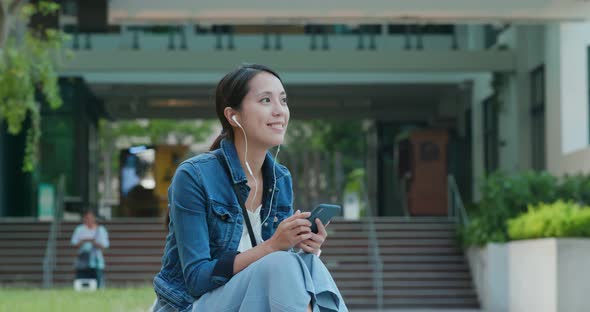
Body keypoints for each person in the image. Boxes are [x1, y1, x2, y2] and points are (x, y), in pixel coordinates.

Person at [152, 64, 348, 312]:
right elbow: (197, 279)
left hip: (251, 300)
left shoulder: (280, 178)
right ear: (233, 116)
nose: (280, 111)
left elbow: (277, 274)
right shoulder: (194, 175)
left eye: (283, 100)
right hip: (192, 305)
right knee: (281, 263)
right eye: (266, 100)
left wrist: (305, 244)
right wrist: (273, 246)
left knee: (308, 263)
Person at [70, 210, 110, 288]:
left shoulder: (101, 230)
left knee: (97, 283)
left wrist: (93, 242)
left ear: (94, 218)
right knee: (81, 283)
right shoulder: (79, 229)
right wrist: (83, 241)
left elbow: (105, 245)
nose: (89, 220)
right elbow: (74, 244)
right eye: (87, 218)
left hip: (96, 261)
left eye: (90, 218)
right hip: (82, 261)